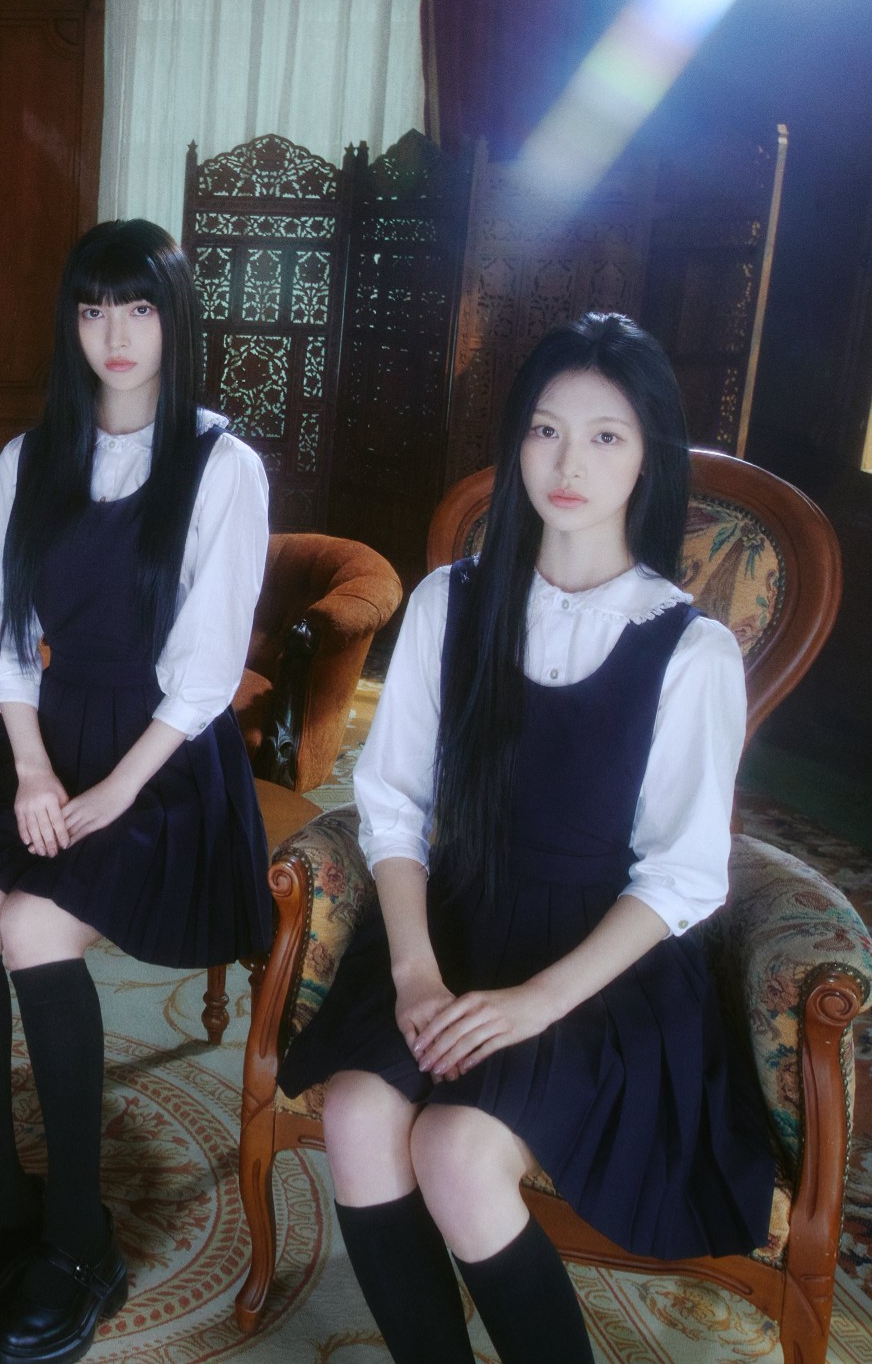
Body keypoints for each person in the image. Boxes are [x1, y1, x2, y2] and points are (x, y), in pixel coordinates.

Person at [275, 312, 775, 1363]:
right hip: (457, 930)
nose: (567, 463)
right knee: (358, 1116)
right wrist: (414, 971)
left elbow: (683, 874)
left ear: (648, 457)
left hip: (602, 972)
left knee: (456, 1151)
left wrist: (534, 1002)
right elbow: (393, 802)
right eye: (546, 430)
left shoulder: (689, 651)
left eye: (605, 436)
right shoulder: (450, 603)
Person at [0, 220, 272, 1361]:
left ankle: (77, 1238)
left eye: (139, 308)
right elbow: (4, 637)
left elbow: (206, 672)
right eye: (94, 308)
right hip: (46, 736)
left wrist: (111, 792)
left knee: (30, 924)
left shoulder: (222, 465)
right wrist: (32, 767)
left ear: (173, 319)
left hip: (165, 755)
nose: (116, 334)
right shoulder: (34, 454)